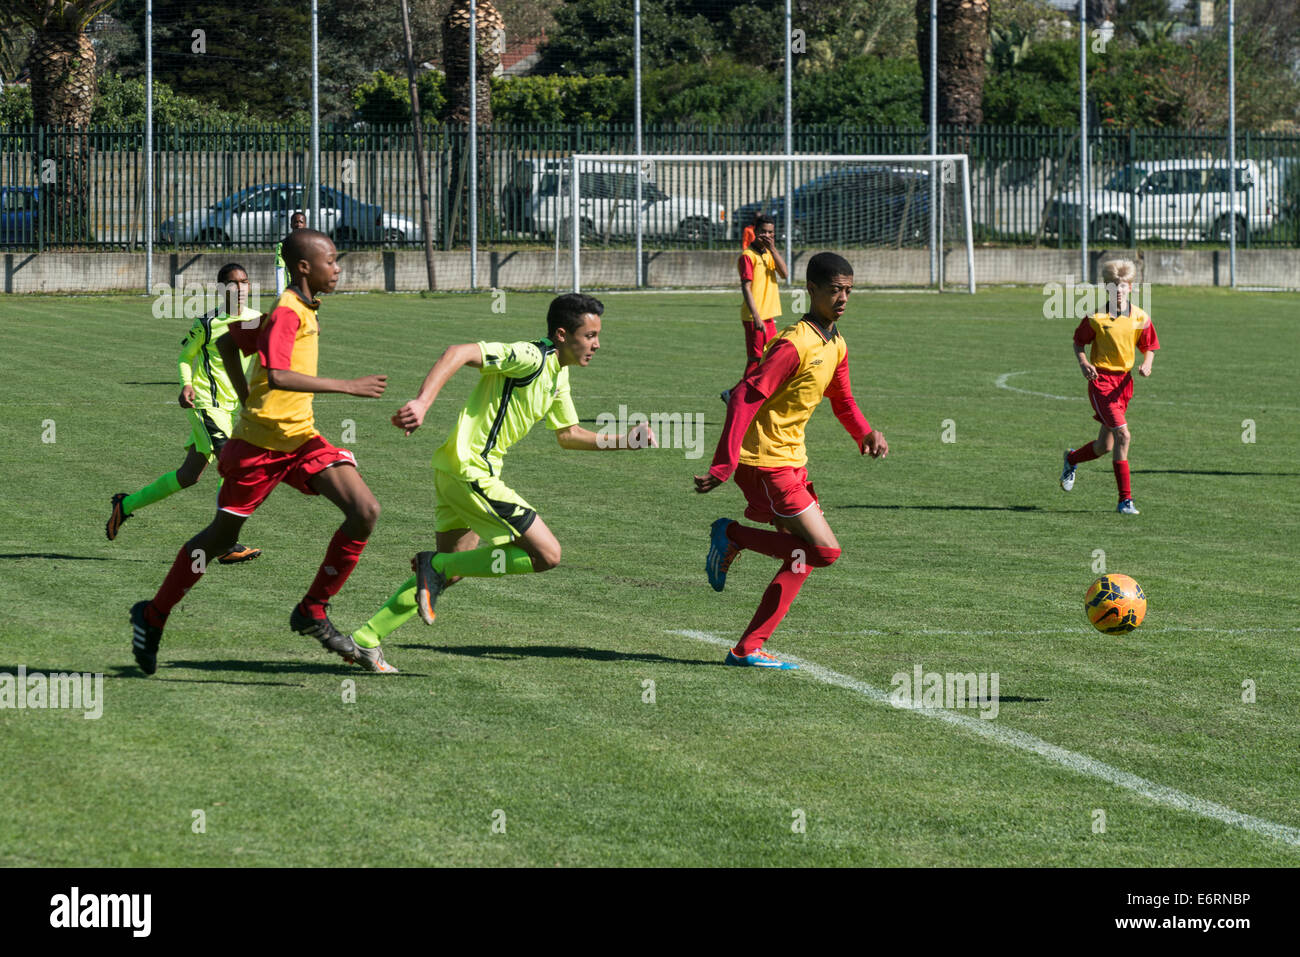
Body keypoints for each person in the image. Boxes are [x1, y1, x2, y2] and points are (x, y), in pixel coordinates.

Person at [347, 293, 657, 673]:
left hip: (453, 473)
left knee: (454, 569)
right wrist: (423, 403)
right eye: (589, 335)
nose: (597, 344)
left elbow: (569, 433)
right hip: (471, 471)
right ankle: (435, 564)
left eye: (597, 335)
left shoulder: (559, 372)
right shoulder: (529, 357)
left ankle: (365, 639)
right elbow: (458, 352)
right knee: (547, 555)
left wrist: (626, 440)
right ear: (562, 334)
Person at [129, 229, 388, 675]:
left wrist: (246, 391)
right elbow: (280, 374)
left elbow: (230, 342)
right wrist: (346, 385)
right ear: (304, 267)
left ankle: (313, 610)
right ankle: (152, 615)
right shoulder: (289, 311)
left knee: (364, 510)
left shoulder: (294, 308)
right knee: (220, 540)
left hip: (300, 438)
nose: (337, 268)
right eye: (330, 260)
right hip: (258, 446)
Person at [695, 252, 887, 669]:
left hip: (791, 460)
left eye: (849, 291)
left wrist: (865, 433)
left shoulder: (835, 343)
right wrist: (723, 464)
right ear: (812, 290)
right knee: (824, 552)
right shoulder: (793, 343)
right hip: (766, 463)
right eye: (835, 290)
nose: (843, 299)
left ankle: (747, 649)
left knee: (799, 558)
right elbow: (745, 396)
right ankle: (733, 535)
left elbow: (843, 400)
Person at [105, 263, 260, 563]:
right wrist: (186, 385)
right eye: (232, 283)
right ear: (221, 289)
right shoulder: (208, 322)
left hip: (229, 409)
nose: (239, 288)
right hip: (204, 404)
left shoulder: (255, 320)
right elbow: (185, 357)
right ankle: (226, 544)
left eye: (244, 282)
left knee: (189, 475)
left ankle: (125, 505)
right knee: (232, 466)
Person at [1059, 259, 1159, 515]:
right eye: (1113, 286)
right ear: (1107, 289)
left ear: (1131, 288)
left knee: (1105, 446)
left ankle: (1072, 459)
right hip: (1101, 383)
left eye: (1123, 286)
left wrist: (1147, 364)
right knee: (1124, 435)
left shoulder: (1140, 317)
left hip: (1124, 385)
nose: (1119, 291)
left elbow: (1149, 346)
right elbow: (1078, 343)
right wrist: (1083, 363)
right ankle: (1125, 500)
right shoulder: (1096, 318)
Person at [723, 214, 787, 404]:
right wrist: (757, 316)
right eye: (763, 232)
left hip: (769, 316)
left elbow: (785, 274)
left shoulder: (769, 254)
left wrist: (773, 249)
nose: (766, 236)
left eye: (770, 233)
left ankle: (735, 394)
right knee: (755, 359)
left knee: (770, 360)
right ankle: (738, 398)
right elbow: (746, 288)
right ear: (755, 233)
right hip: (755, 317)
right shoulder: (747, 256)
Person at [275, 211, 308, 295]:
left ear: (305, 225)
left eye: (301, 222)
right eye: (295, 222)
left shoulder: (310, 245)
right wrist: (280, 295)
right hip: (289, 293)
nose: (298, 224)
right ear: (291, 225)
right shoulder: (282, 245)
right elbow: (280, 271)